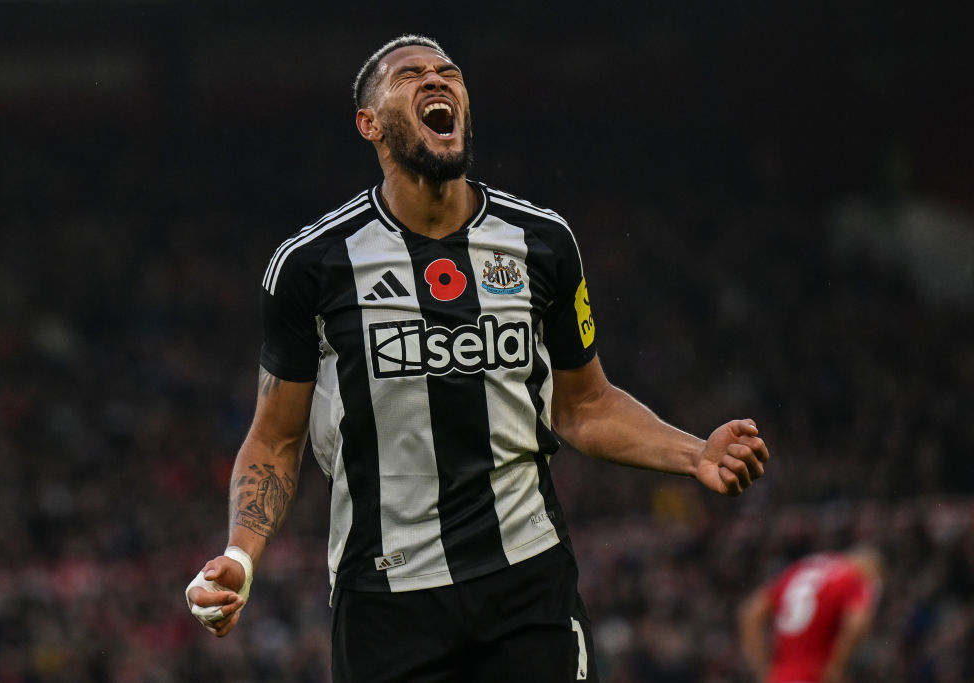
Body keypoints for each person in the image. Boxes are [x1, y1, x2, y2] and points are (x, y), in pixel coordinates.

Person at [185, 34, 770, 682]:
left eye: (449, 73)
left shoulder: (542, 241)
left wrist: (696, 453)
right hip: (386, 601)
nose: (437, 81)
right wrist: (240, 553)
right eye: (411, 75)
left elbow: (585, 404)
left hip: (526, 583)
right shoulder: (311, 265)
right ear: (369, 123)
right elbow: (275, 437)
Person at [738, 546, 884, 683]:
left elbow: (751, 613)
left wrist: (762, 668)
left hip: (782, 676)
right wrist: (838, 665)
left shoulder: (801, 569)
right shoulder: (854, 577)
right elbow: (857, 623)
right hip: (815, 675)